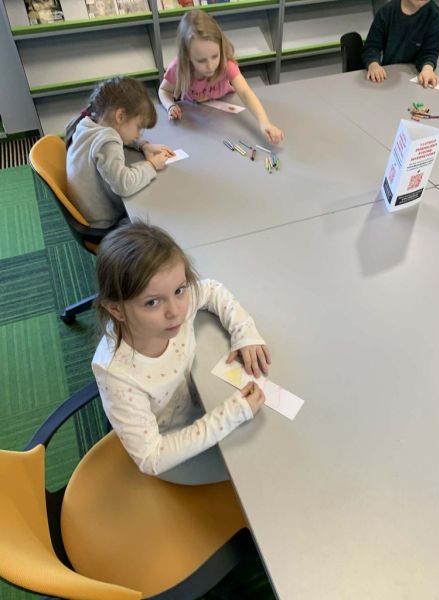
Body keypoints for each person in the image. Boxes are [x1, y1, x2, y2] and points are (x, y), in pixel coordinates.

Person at [92, 221, 269, 485]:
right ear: (117, 310)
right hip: (174, 445)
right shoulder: (117, 374)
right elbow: (152, 458)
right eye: (152, 302)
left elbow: (212, 290)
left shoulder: (175, 307)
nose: (175, 311)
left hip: (199, 404)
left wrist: (244, 332)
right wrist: (229, 414)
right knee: (260, 467)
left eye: (179, 290)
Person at [158, 10, 283, 144]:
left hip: (226, 110)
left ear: (220, 47)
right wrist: (170, 106)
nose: (210, 66)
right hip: (196, 118)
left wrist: (264, 122)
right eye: (201, 60)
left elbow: (245, 92)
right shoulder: (178, 67)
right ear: (187, 55)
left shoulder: (226, 64)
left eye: (215, 56)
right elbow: (164, 90)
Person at [66, 76, 175, 229]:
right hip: (103, 222)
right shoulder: (108, 141)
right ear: (120, 116)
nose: (139, 134)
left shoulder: (87, 122)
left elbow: (121, 132)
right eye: (138, 127)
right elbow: (124, 185)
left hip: (84, 209)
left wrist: (143, 145)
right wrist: (151, 165)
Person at [362, 0, 439, 87]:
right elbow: (371, 47)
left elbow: (429, 52)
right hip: (388, 76)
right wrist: (373, 64)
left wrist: (427, 68)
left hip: (415, 80)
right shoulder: (386, 12)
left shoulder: (435, 15)